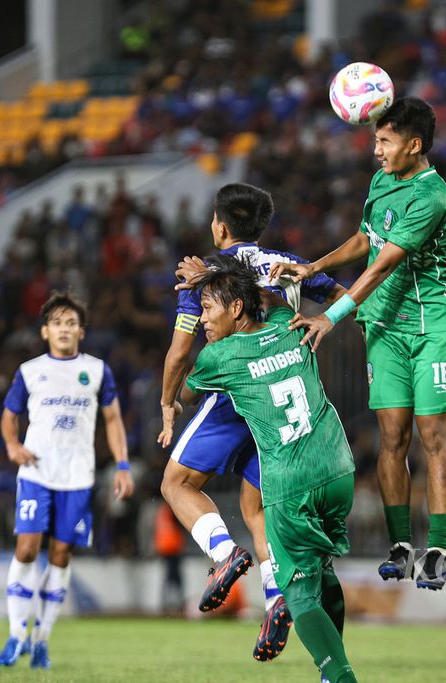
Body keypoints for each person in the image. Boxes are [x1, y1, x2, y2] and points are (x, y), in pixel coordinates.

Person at [269, 98, 446, 590]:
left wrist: (330, 316)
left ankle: (440, 549)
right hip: (385, 328)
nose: (376, 150)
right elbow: (367, 239)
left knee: (432, 437)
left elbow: (384, 266)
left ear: (414, 145)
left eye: (384, 141)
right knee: (392, 438)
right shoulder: (383, 181)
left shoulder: (432, 197)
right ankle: (401, 548)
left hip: (433, 328)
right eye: (376, 140)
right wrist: (315, 267)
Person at [157, 182, 345, 661]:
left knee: (176, 483)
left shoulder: (207, 278)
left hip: (235, 391)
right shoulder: (286, 264)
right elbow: (342, 293)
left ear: (220, 225)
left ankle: (224, 555)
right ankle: (276, 594)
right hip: (285, 406)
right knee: (255, 508)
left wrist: (167, 402)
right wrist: (322, 323)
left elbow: (181, 350)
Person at [180, 255, 357, 683]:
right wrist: (226, 282)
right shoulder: (288, 323)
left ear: (235, 308)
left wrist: (202, 288)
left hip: (289, 482)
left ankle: (339, 676)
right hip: (338, 468)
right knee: (325, 569)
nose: (203, 318)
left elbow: (185, 392)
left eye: (208, 307)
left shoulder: (219, 356)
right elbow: (269, 298)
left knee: (297, 592)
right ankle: (333, 667)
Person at [0, 291, 135, 669]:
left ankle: (40, 641)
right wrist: (12, 446)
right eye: (57, 322)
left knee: (60, 555)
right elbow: (9, 416)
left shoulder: (97, 371)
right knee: (26, 549)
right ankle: (15, 634)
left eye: (71, 323)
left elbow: (112, 419)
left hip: (77, 477)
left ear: (81, 332)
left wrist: (122, 465)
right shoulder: (29, 371)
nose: (64, 329)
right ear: (45, 331)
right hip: (37, 472)